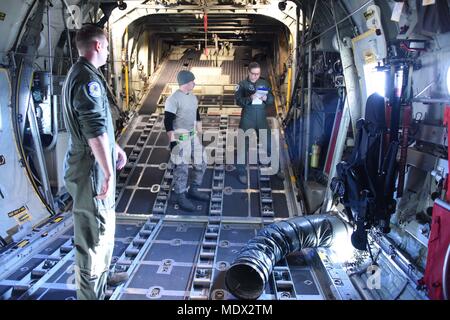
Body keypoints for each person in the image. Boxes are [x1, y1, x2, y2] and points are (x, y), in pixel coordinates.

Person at [62, 24, 128, 300]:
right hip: (91, 167)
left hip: (92, 161)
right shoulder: (87, 80)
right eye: (107, 45)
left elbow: (97, 125)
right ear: (98, 46)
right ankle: (90, 295)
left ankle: (101, 278)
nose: (108, 51)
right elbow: (93, 130)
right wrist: (108, 171)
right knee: (91, 235)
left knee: (103, 227)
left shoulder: (84, 74)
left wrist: (115, 148)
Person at [164, 70, 209, 211]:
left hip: (192, 135)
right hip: (179, 138)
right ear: (185, 83)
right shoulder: (173, 99)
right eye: (192, 81)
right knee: (181, 168)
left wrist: (200, 132)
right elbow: (168, 121)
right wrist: (172, 142)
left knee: (201, 162)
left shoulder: (192, 97)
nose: (194, 83)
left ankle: (193, 189)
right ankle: (180, 195)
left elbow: (196, 114)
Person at [234, 61, 277, 184]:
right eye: (253, 74)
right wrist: (249, 98)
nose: (255, 76)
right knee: (243, 145)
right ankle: (241, 172)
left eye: (258, 74)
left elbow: (271, 99)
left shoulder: (264, 83)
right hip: (248, 117)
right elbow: (238, 101)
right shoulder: (241, 85)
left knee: (269, 143)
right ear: (248, 72)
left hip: (262, 117)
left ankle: (275, 167)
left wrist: (266, 98)